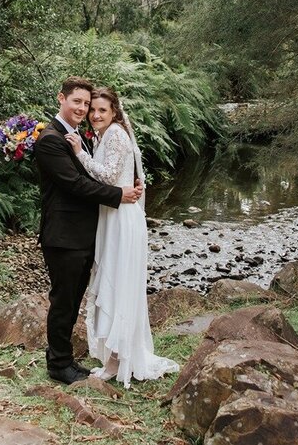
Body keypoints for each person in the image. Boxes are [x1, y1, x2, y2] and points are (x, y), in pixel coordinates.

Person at [65, 86, 179, 387]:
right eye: (93, 110)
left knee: (117, 284)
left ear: (114, 111)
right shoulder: (107, 135)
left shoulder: (114, 134)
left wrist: (79, 154)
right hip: (113, 215)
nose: (95, 115)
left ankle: (116, 361)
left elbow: (108, 175)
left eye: (102, 110)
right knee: (114, 282)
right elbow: (119, 178)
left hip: (120, 219)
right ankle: (116, 354)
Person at [34, 76, 143, 385]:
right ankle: (58, 365)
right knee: (64, 301)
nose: (83, 109)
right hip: (64, 235)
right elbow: (76, 184)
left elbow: (109, 166)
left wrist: (130, 183)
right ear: (61, 99)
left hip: (83, 234)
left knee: (73, 300)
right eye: (77, 102)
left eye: (87, 104)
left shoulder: (77, 136)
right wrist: (119, 195)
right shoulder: (51, 139)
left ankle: (66, 360)